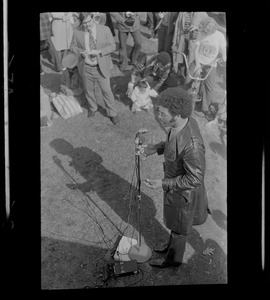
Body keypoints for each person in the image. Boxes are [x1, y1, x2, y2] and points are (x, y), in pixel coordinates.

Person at [141, 87, 210, 268]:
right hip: (176, 189)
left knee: (179, 229)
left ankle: (172, 261)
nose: (159, 116)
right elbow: (172, 144)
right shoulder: (179, 124)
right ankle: (170, 249)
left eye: (162, 113)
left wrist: (163, 183)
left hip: (183, 195)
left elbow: (195, 179)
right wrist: (155, 148)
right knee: (175, 224)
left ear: (177, 114)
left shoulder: (193, 146)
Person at [70, 12, 119, 125]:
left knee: (107, 91)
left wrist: (100, 52)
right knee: (89, 91)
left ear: (93, 18)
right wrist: (80, 52)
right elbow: (72, 46)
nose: (87, 25)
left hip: (101, 67)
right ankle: (93, 108)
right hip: (86, 67)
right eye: (84, 23)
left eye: (89, 21)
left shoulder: (105, 29)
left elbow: (113, 46)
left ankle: (112, 113)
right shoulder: (77, 31)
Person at [186, 17, 226, 117]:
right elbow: (196, 50)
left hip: (211, 64)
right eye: (206, 31)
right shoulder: (201, 33)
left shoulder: (219, 36)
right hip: (199, 60)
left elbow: (223, 48)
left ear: (213, 28)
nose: (207, 33)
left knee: (209, 87)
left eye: (209, 31)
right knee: (188, 81)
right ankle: (186, 102)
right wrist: (198, 65)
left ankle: (205, 107)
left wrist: (224, 58)